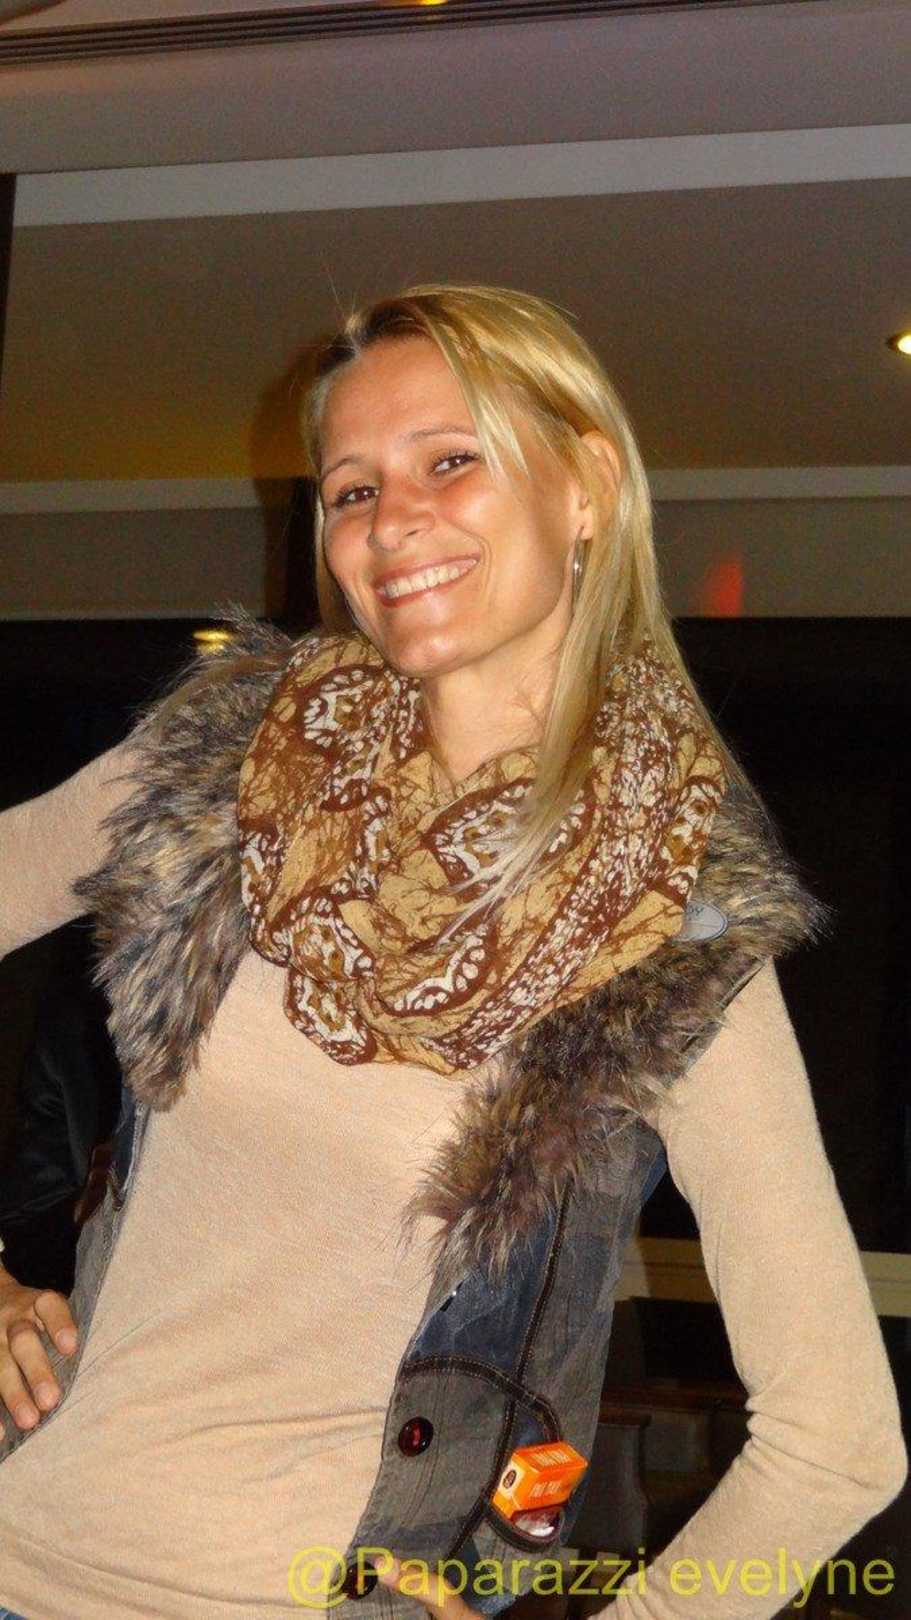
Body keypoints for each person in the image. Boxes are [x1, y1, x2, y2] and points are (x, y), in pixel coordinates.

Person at [0, 282, 905, 1620]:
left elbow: (838, 1441)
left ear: (586, 486)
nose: (391, 520)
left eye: (449, 461)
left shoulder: (671, 934)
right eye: (353, 489)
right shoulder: (228, 764)